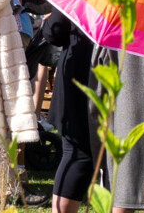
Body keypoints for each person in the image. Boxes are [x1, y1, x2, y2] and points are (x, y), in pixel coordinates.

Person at [43, 11, 96, 213]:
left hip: (82, 68)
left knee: (78, 153)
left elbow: (54, 31)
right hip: (127, 69)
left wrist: (49, 21)